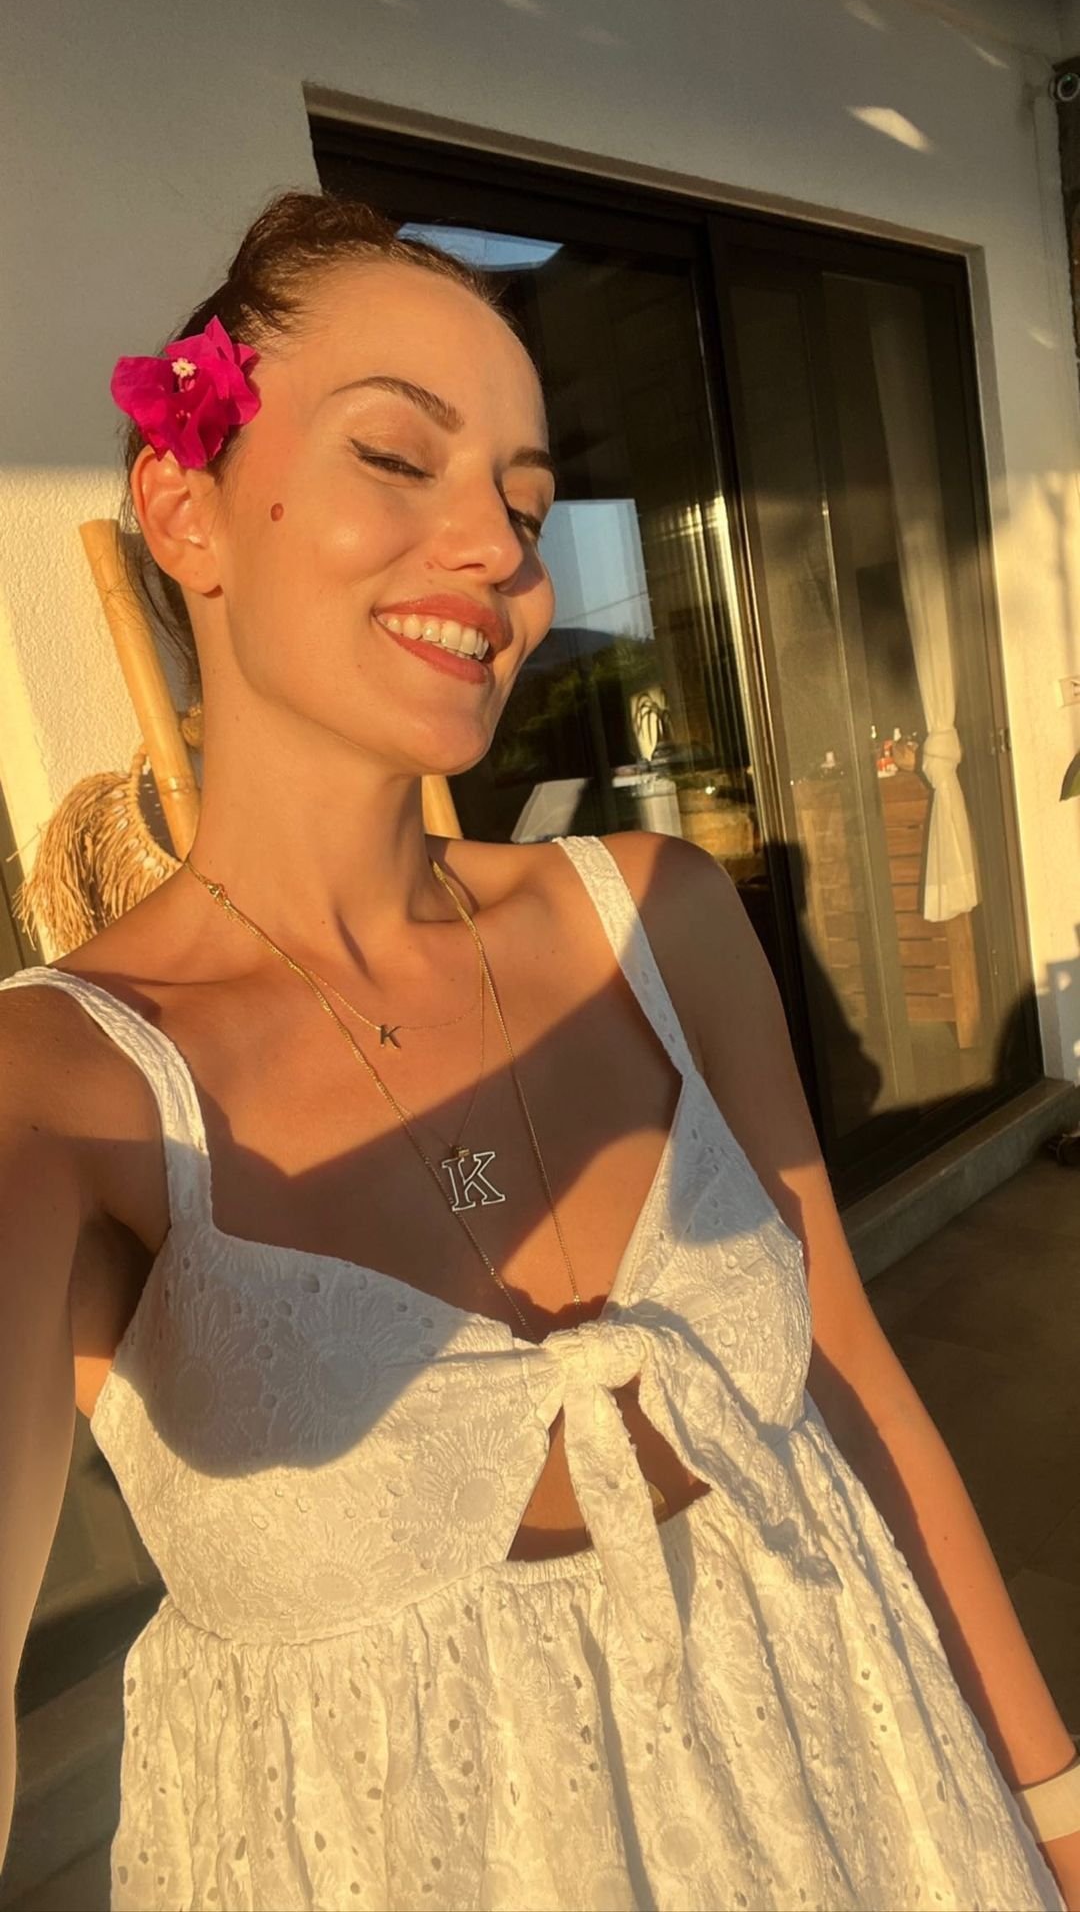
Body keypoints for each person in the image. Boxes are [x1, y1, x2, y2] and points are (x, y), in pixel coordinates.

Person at [0, 188, 1077, 1912]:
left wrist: (1057, 1803)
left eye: (522, 499)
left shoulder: (654, 921)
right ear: (184, 507)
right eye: (395, 457)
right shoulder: (66, 1094)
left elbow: (851, 1372)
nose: (500, 552)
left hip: (879, 1804)